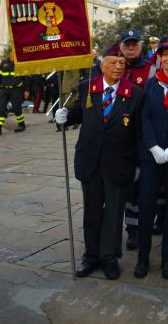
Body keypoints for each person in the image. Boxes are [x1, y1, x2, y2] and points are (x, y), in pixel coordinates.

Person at [55, 50, 142, 280]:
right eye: (112, 62)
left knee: (114, 213)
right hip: (90, 161)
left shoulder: (134, 93)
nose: (117, 67)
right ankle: (91, 256)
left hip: (119, 162)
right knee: (91, 211)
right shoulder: (87, 87)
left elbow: (138, 131)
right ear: (102, 65)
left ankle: (109, 258)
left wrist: (138, 163)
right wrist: (64, 116)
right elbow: (78, 113)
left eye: (122, 63)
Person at [135, 36, 168, 280]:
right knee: (147, 206)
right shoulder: (151, 84)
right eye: (164, 54)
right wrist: (154, 147)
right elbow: (144, 117)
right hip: (151, 157)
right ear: (159, 57)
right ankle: (143, 258)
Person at [119, 28, 157, 251]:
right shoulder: (115, 66)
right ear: (121, 47)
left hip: (141, 136)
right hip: (118, 138)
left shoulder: (151, 70)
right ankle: (126, 228)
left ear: (141, 46)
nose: (131, 48)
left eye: (134, 44)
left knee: (140, 186)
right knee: (124, 187)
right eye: (127, 44)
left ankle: (137, 230)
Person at [0, 55, 30, 137]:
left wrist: (27, 90)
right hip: (4, 90)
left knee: (16, 108)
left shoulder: (20, 62)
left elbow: (26, 78)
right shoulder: (4, 62)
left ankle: (21, 124)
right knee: (1, 108)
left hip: (16, 89)